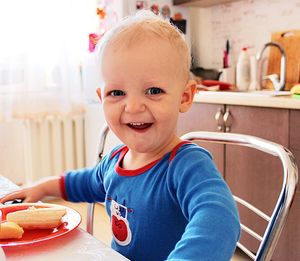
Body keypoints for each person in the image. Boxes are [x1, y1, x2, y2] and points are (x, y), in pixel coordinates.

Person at [0, 11, 240, 261]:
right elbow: (83, 182)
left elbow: (220, 219)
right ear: (101, 96)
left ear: (185, 97)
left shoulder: (187, 165)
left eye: (153, 90)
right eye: (117, 93)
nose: (133, 106)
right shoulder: (115, 161)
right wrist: (40, 188)